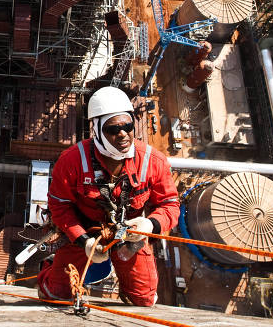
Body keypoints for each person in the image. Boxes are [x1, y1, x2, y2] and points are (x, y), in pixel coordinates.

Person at [37, 86, 179, 306]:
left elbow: (170, 205)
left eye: (128, 126)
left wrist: (150, 225)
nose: (123, 134)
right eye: (113, 129)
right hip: (85, 234)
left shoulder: (153, 161)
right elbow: (60, 206)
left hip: (129, 236)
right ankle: (51, 266)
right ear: (98, 131)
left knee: (144, 300)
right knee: (55, 294)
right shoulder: (72, 161)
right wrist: (82, 240)